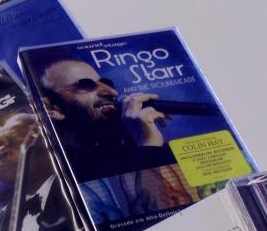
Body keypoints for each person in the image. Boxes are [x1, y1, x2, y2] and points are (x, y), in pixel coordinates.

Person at [35, 58, 176, 179]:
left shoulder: (125, 143)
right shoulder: (60, 170)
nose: (112, 92)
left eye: (107, 83)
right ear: (51, 107)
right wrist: (148, 146)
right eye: (85, 85)